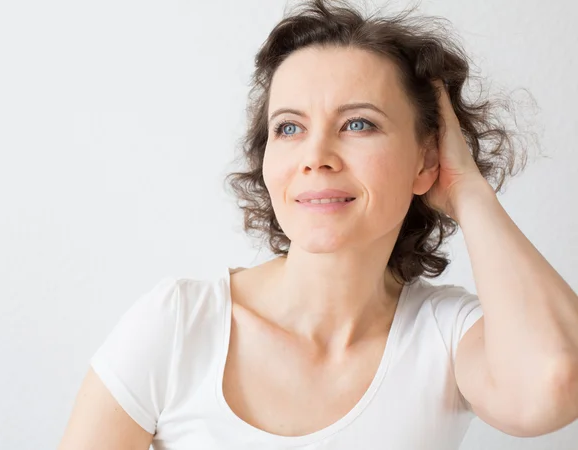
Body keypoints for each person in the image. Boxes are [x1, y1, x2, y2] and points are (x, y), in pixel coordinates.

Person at [58, 1, 578, 449]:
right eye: (289, 127)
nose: (316, 156)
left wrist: (468, 190)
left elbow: (553, 384)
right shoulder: (179, 324)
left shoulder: (445, 336)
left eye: (358, 124)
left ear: (426, 159)